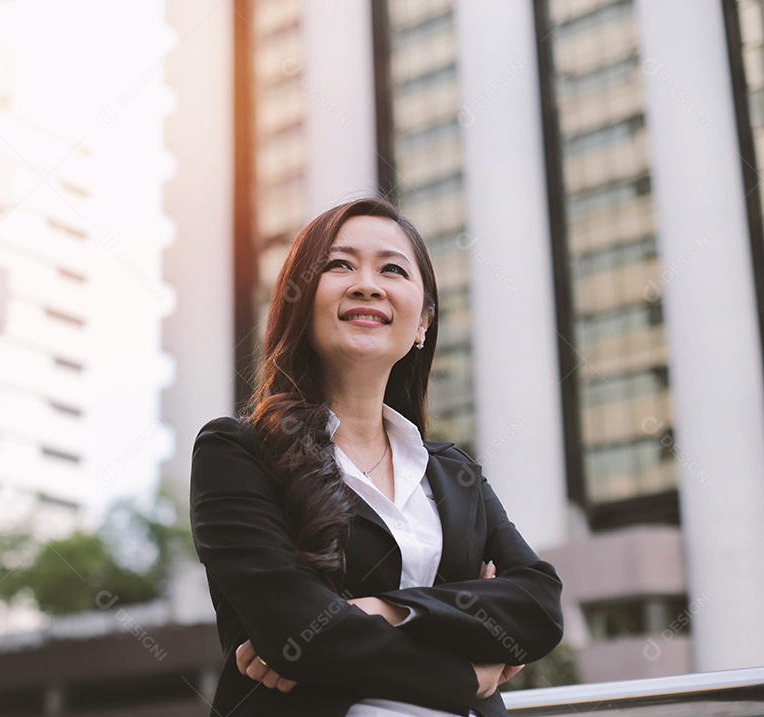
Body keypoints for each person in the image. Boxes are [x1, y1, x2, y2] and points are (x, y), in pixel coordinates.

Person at [189, 197, 563, 717]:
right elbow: (299, 633)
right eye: (339, 265)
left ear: (423, 323)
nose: (367, 284)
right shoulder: (237, 452)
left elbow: (537, 605)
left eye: (392, 269)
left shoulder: (453, 472)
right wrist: (467, 671)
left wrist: (382, 609)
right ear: (300, 301)